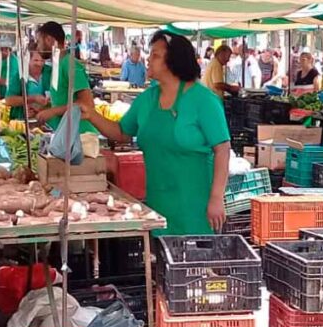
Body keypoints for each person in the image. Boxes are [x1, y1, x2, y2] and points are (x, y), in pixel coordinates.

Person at [79, 31, 230, 235]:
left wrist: (216, 198)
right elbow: (122, 132)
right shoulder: (147, 99)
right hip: (158, 205)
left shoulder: (204, 101)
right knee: (161, 261)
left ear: (173, 60)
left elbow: (223, 149)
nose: (148, 60)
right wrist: (91, 115)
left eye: (156, 55)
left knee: (196, 266)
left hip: (196, 207)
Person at [34, 21, 97, 133]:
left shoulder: (70, 64)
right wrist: (46, 107)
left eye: (39, 42)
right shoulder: (58, 64)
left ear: (49, 40)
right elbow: (64, 100)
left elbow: (87, 103)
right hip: (65, 135)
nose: (37, 47)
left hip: (81, 135)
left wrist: (53, 111)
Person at [4, 51, 49, 120]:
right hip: (21, 119)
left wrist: (41, 109)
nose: (39, 64)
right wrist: (33, 99)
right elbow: (9, 100)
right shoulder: (20, 75)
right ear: (28, 60)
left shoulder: (49, 72)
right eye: (36, 60)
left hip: (45, 120)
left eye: (42, 60)